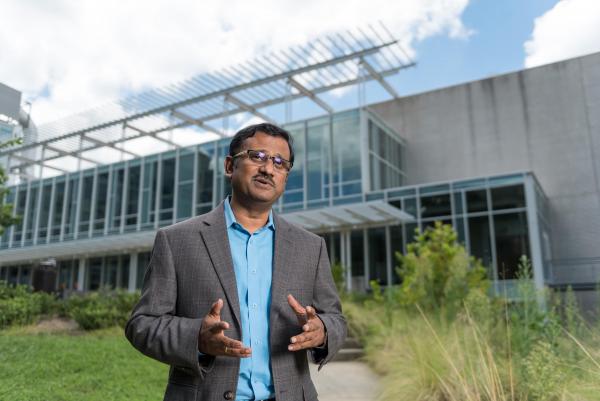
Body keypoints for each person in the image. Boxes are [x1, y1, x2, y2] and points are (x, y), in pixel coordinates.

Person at [125, 123, 347, 401]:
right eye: (258, 156)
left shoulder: (310, 247)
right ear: (230, 166)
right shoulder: (177, 240)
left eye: (280, 163)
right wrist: (197, 338)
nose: (268, 169)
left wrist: (323, 330)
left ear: (285, 177)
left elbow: (336, 319)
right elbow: (142, 324)